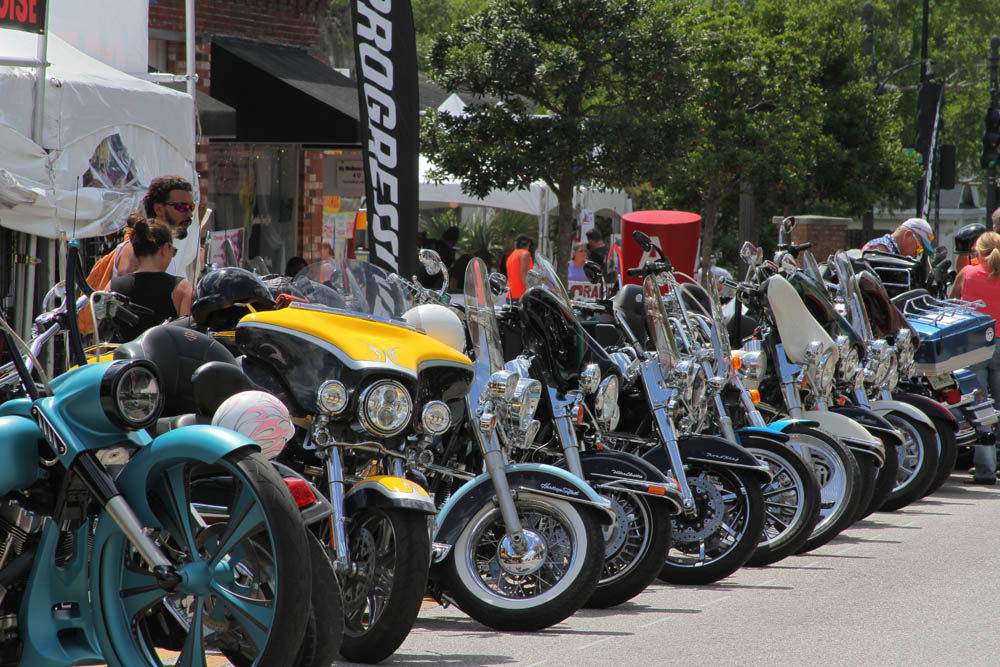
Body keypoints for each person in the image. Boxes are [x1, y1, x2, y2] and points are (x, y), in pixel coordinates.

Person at [953, 231, 1000, 484]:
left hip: (977, 343)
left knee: (982, 409)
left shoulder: (968, 273)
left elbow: (950, 303)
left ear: (977, 251)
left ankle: (984, 469)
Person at [108, 218, 193, 343]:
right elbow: (189, 339)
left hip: (122, 360)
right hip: (163, 361)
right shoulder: (181, 288)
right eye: (173, 250)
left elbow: (100, 343)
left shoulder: (111, 287)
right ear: (165, 248)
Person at [115, 175, 196, 278]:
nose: (190, 214)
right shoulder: (137, 248)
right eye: (182, 207)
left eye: (191, 207)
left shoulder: (164, 247)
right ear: (159, 209)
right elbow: (125, 285)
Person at [861, 217, 934, 258]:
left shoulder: (890, 249)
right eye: (919, 248)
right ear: (908, 235)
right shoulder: (881, 248)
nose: (917, 254)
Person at [506, 234, 534, 298]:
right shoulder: (525, 254)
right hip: (521, 295)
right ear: (528, 244)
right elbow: (525, 277)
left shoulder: (512, 255)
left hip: (511, 294)